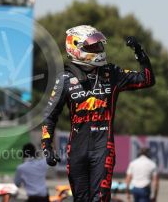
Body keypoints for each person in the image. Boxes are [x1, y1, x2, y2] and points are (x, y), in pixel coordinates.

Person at [41, 25, 155, 201]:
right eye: (92, 46)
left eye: (98, 45)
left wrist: (139, 53)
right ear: (76, 48)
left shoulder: (112, 73)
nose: (98, 49)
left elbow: (147, 79)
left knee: (100, 199)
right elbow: (49, 115)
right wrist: (46, 146)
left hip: (103, 149)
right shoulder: (64, 79)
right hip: (77, 151)